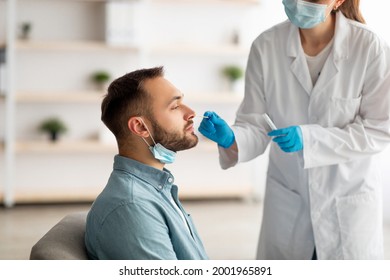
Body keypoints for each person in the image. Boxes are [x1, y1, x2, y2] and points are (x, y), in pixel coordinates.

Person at [199, 0, 390, 260]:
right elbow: (255, 124)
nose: (302, 2)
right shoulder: (266, 46)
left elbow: (379, 129)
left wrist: (310, 139)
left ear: (339, 2)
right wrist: (233, 138)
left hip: (347, 201)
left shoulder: (369, 47)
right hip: (289, 199)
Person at [85, 66, 208, 260]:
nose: (191, 113)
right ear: (140, 127)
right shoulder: (132, 207)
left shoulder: (157, 189)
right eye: (175, 107)